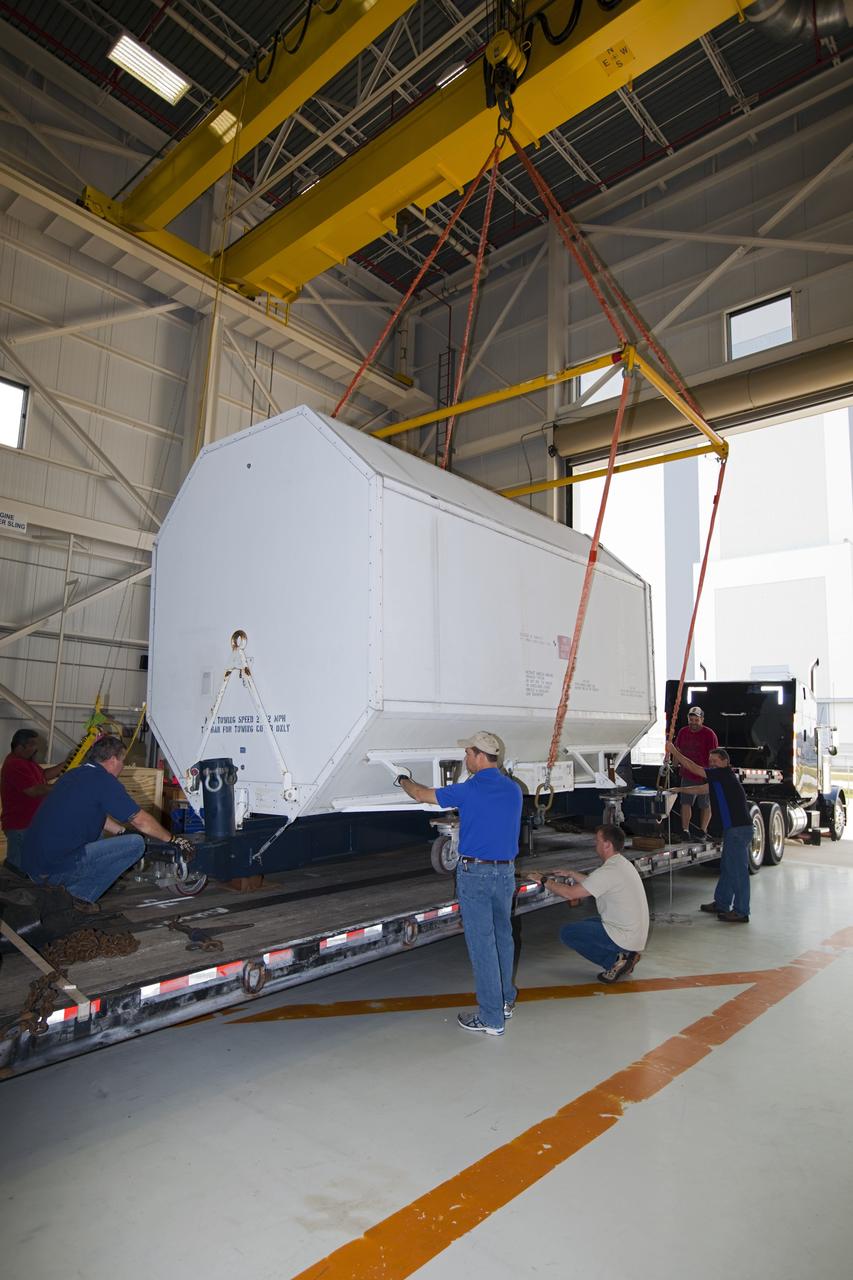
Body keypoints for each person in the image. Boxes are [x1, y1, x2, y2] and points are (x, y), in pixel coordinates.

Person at [398, 731, 522, 1036]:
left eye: (467, 754)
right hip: (505, 874)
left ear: (480, 756)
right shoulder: (514, 789)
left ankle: (492, 1018)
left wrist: (402, 780)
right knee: (503, 938)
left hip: (476, 875)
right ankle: (505, 1001)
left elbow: (421, 795)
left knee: (482, 945)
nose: (465, 759)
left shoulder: (470, 789)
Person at [20, 734, 187, 906]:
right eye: (123, 761)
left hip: (33, 866)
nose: (122, 767)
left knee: (101, 833)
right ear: (114, 760)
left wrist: (122, 831)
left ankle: (68, 894)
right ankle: (78, 901)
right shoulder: (104, 780)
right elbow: (140, 820)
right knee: (135, 844)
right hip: (54, 869)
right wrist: (172, 839)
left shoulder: (74, 774)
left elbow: (95, 815)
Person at [533, 824, 649, 983]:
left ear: (607, 844)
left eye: (597, 841)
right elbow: (594, 883)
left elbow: (570, 893)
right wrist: (572, 873)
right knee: (586, 924)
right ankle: (626, 957)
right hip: (633, 934)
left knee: (568, 932)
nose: (595, 845)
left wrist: (543, 880)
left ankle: (616, 960)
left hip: (625, 937)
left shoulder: (609, 871)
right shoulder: (620, 864)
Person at [664, 742, 752, 922]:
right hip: (733, 830)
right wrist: (679, 790)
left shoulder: (723, 774)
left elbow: (694, 768)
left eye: (715, 761)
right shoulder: (720, 778)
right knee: (728, 869)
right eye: (710, 761)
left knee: (737, 872)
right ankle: (721, 903)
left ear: (725, 761)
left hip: (738, 830)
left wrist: (675, 753)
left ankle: (742, 911)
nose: (711, 764)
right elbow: (702, 789)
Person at [1, 729, 63, 868]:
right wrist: (65, 787)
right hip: (20, 825)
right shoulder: (15, 764)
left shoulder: (27, 762)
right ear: (19, 747)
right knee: (17, 870)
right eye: (33, 745)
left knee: (23, 867)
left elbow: (44, 776)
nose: (37, 749)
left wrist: (67, 763)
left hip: (28, 824)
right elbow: (35, 790)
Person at [673, 705, 718, 837]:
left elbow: (713, 755)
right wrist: (674, 766)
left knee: (704, 803)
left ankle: (703, 830)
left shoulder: (709, 734)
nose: (693, 722)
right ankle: (685, 830)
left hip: (704, 775)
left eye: (696, 720)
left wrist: (711, 773)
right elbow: (677, 751)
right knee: (685, 802)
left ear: (702, 719)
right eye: (691, 719)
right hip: (687, 774)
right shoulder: (683, 732)